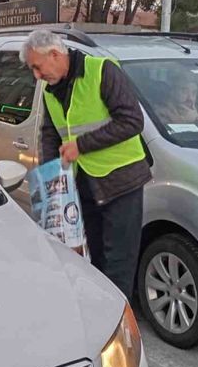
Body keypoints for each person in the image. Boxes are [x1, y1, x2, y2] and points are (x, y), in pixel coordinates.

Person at [20, 30, 151, 298]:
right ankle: (100, 315)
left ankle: (119, 328)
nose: (36, 75)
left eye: (37, 66)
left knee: (119, 264)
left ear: (54, 54)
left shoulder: (102, 71)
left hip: (120, 183)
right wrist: (51, 177)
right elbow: (50, 133)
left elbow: (132, 121)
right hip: (85, 187)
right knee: (95, 262)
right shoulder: (50, 90)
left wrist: (81, 145)